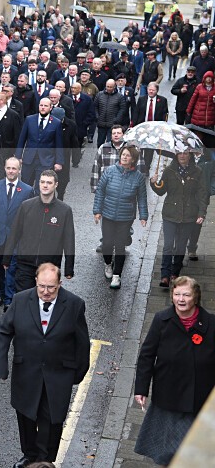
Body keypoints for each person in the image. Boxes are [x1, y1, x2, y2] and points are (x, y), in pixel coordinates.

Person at [0, 263, 90, 468]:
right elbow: (3, 330)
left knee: (51, 420)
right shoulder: (20, 300)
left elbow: (82, 343)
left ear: (60, 284)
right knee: (26, 415)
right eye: (42, 287)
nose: (46, 292)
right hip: (27, 371)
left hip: (58, 375)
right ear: (36, 281)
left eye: (51, 288)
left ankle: (45, 460)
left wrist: (77, 373)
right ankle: (29, 454)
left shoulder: (74, 304)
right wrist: (0, 367)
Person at [133, 276, 215, 465]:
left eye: (186, 294)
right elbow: (147, 356)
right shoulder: (161, 319)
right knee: (168, 450)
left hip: (199, 398)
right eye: (177, 294)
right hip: (168, 396)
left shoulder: (211, 323)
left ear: (196, 297)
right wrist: (141, 389)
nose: (181, 299)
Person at [3, 170, 75, 292]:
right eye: (42, 182)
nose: (45, 185)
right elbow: (14, 233)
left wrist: (69, 268)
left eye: (49, 182)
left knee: (45, 302)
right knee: (24, 300)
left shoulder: (64, 211)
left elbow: (69, 240)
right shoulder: (26, 206)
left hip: (49, 267)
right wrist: (6, 258)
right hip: (25, 265)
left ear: (56, 184)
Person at [0, 157, 35, 311]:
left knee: (12, 267)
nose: (11, 171)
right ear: (4, 168)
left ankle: (9, 298)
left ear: (19, 170)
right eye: (8, 168)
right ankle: (0, 293)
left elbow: (30, 216)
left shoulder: (27, 190)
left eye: (14, 168)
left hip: (16, 237)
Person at [93, 146, 148, 289]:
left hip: (125, 217)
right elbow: (100, 192)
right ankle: (107, 264)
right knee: (107, 243)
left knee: (120, 246)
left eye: (128, 155)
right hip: (108, 214)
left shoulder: (139, 177)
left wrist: (143, 215)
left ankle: (117, 275)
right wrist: (97, 211)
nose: (124, 157)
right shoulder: (109, 171)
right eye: (123, 154)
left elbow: (142, 198)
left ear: (133, 159)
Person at [150, 151, 208, 287]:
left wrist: (201, 213)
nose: (182, 156)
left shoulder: (198, 171)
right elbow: (161, 190)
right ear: (176, 156)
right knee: (168, 246)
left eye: (185, 153)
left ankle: (175, 272)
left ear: (190, 155)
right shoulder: (169, 170)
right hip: (170, 213)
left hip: (189, 214)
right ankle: (165, 275)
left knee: (180, 246)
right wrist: (154, 183)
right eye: (180, 153)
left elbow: (202, 194)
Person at [15, 98, 64, 186]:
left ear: (51, 108)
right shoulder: (29, 120)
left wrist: (59, 162)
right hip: (29, 159)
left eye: (45, 106)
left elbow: (59, 144)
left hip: (46, 160)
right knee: (25, 184)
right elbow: (22, 139)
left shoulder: (56, 123)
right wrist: (18, 156)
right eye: (41, 105)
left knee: (41, 186)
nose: (43, 107)